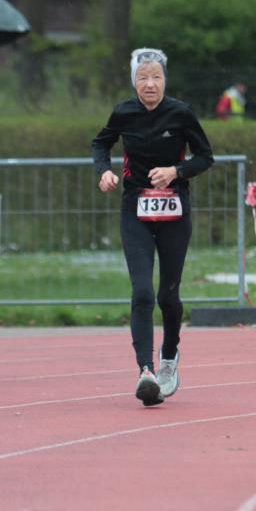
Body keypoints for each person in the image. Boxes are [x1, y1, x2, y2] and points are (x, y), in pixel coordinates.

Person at [92, 47, 214, 406]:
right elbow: (100, 142)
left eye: (156, 77)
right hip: (136, 211)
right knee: (142, 291)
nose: (150, 83)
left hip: (175, 211)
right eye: (143, 77)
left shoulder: (181, 113)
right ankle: (145, 371)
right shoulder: (123, 112)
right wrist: (104, 171)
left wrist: (176, 171)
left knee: (168, 296)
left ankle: (169, 357)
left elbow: (206, 156)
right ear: (134, 81)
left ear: (165, 80)